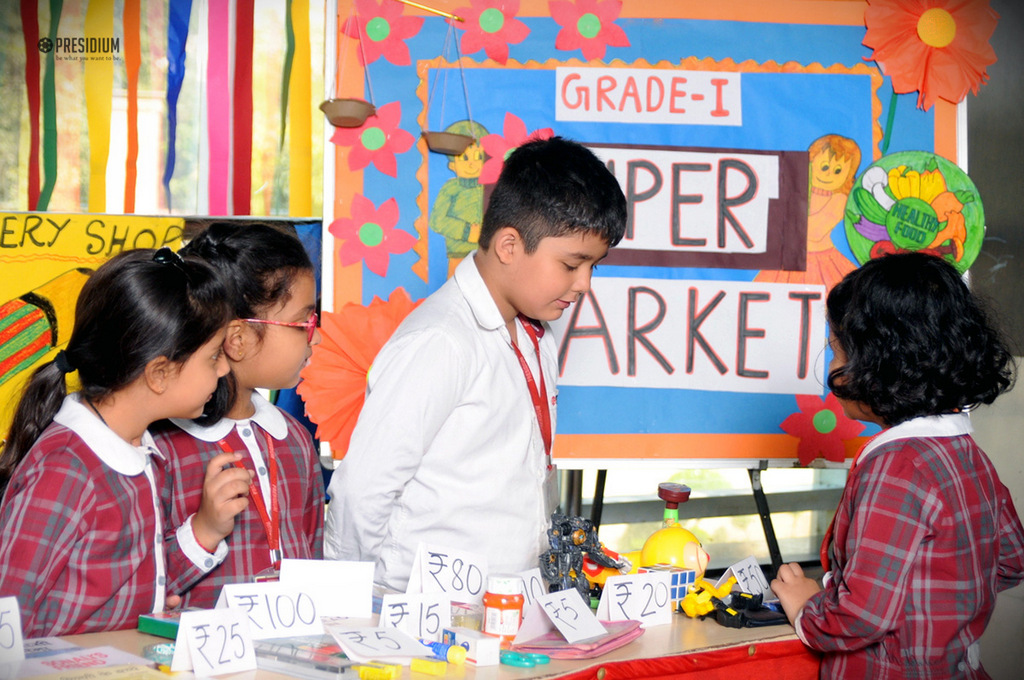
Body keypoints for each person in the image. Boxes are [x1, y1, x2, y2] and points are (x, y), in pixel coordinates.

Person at [324, 136, 627, 590]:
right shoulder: (440, 341)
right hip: (422, 615)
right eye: (571, 264)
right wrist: (348, 608)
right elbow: (361, 493)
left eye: (593, 267)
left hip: (506, 606)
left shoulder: (533, 332)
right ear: (509, 246)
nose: (583, 284)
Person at [771, 251, 1024, 679]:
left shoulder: (896, 468)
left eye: (836, 352)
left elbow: (860, 618)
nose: (832, 367)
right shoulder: (966, 453)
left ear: (879, 364)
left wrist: (805, 607)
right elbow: (1012, 560)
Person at [0, 248, 248, 637]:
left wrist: (204, 531)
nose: (224, 368)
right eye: (213, 356)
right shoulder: (66, 470)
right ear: (160, 373)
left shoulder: (137, 448)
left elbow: (128, 577)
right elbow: (8, 612)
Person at [153, 222, 325, 608]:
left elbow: (314, 554)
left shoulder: (295, 439)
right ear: (238, 339)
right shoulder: (162, 445)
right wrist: (203, 531)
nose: (314, 335)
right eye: (303, 322)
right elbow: (141, 586)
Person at [755, 133, 860, 292]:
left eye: (838, 171)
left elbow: (813, 231)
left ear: (848, 176)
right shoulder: (797, 190)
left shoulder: (839, 199)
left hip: (821, 262)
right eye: (824, 167)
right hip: (788, 261)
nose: (828, 174)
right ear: (811, 162)